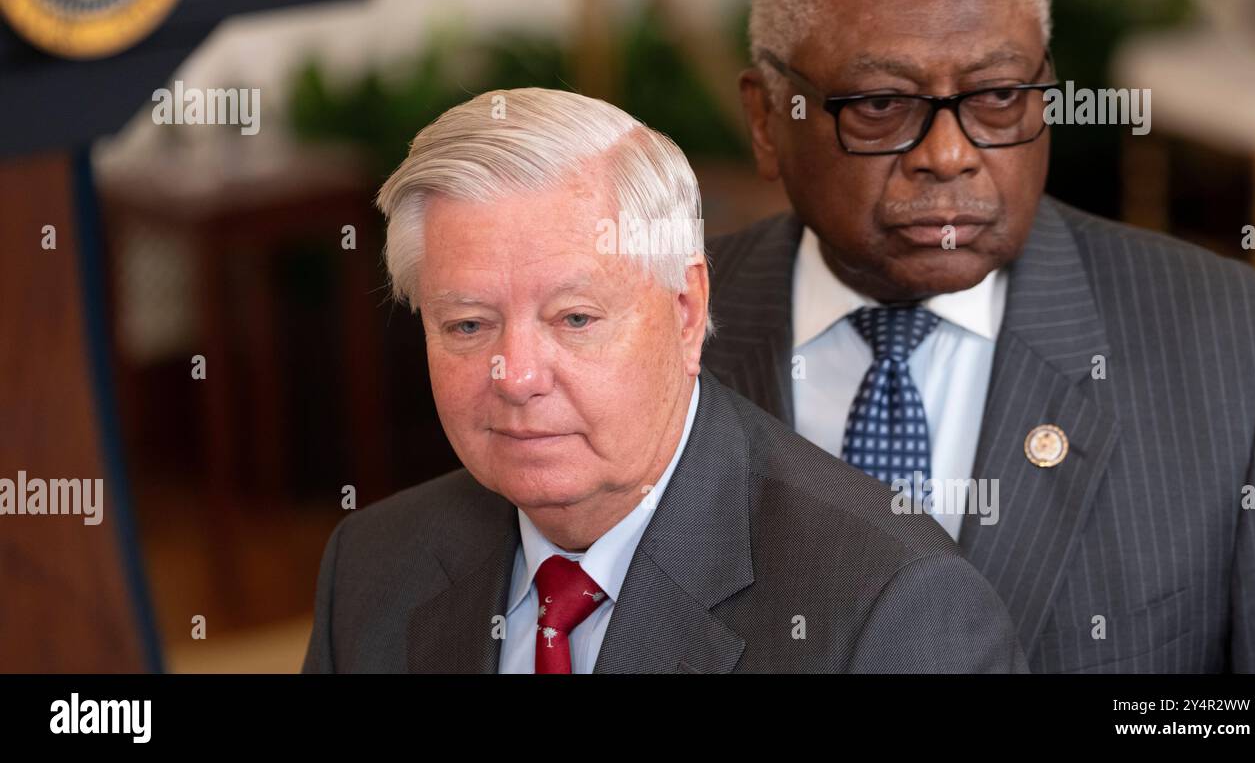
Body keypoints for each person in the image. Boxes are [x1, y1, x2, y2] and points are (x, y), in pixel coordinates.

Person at [703, 0, 1255, 672]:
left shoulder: (1244, 353)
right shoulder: (653, 342)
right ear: (768, 119)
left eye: (997, 97)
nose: (949, 155)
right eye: (882, 104)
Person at [301, 87, 1026, 673]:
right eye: (467, 326)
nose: (516, 376)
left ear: (687, 312)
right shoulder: (372, 567)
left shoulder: (889, 607)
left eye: (575, 319)